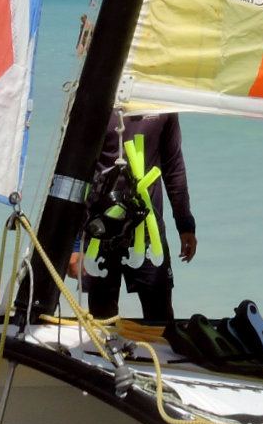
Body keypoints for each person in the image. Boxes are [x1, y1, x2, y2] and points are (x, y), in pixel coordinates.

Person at [68, 111, 197, 323]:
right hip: (100, 231)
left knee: (161, 318)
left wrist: (185, 225)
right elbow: (75, 175)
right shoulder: (102, 98)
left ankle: (156, 356)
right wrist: (74, 246)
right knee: (102, 321)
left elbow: (173, 167)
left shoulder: (162, 103)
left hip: (148, 232)